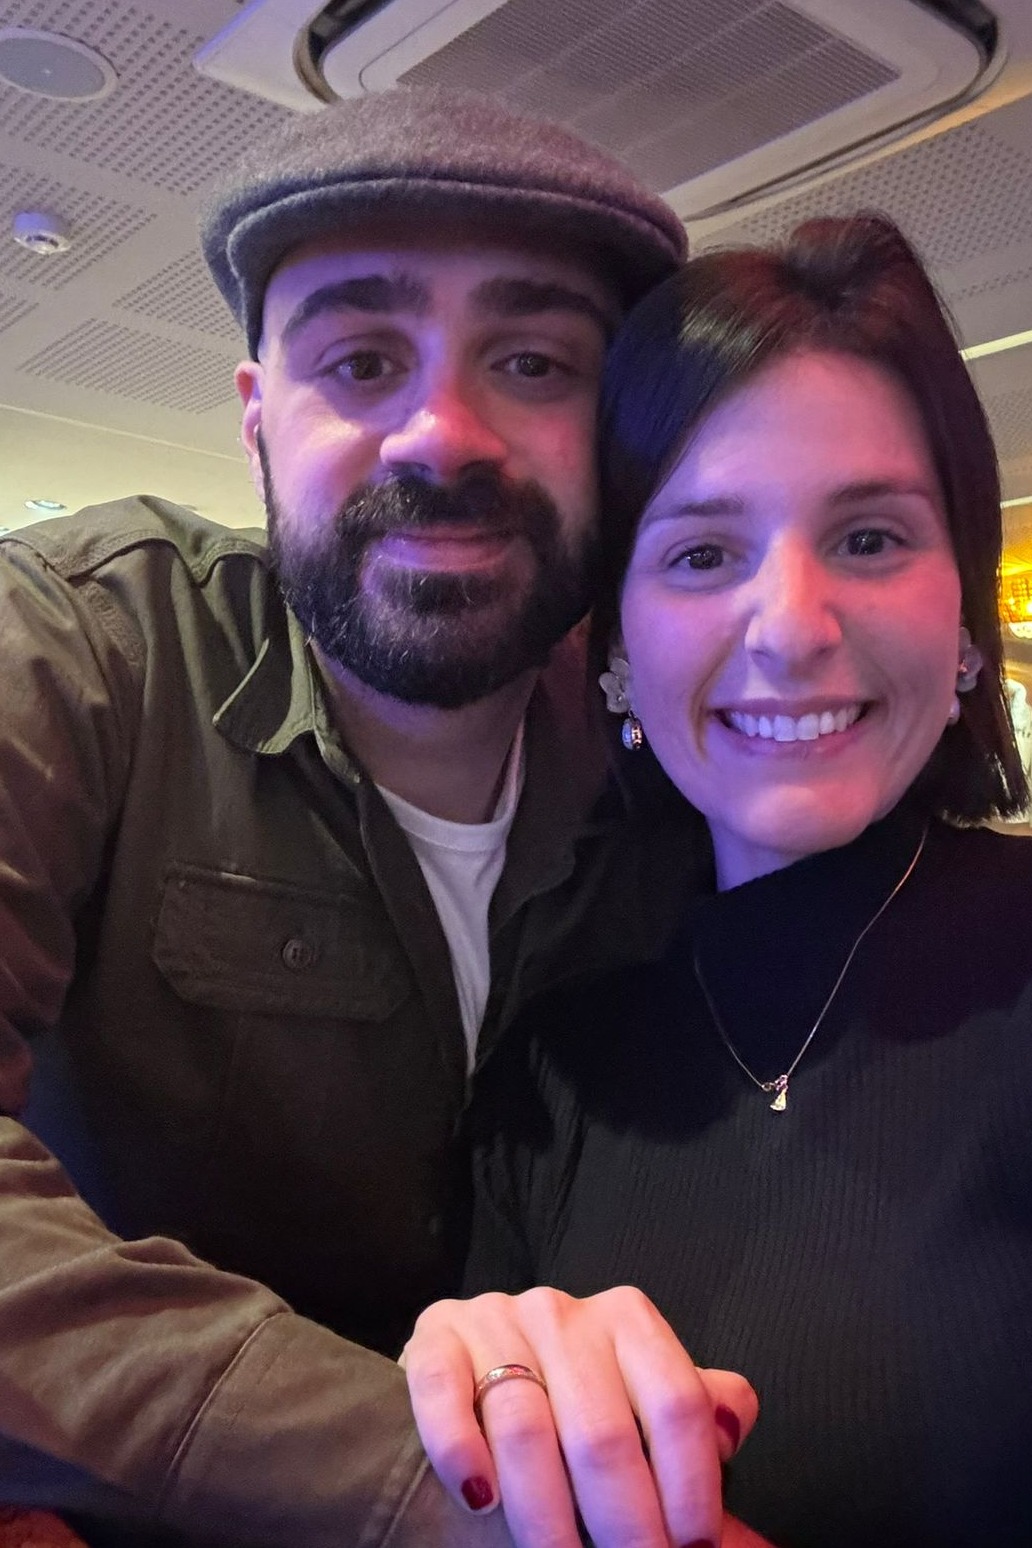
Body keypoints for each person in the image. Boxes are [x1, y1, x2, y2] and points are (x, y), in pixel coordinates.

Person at [0, 86, 755, 1548]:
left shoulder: (677, 736)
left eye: (532, 363)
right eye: (360, 360)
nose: (442, 437)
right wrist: (441, 1490)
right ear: (256, 423)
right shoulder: (85, 648)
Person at [403, 214, 1032, 1548]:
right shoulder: (554, 1066)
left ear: (967, 621)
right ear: (615, 654)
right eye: (700, 553)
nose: (793, 628)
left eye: (871, 539)